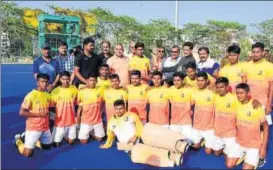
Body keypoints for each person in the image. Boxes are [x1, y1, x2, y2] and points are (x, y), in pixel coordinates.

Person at [226, 83, 269, 169]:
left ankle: (259, 158)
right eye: (237, 93)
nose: (239, 95)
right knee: (229, 165)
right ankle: (243, 155)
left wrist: (264, 147)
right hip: (239, 142)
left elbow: (266, 126)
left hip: (254, 145)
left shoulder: (256, 106)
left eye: (242, 93)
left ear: (248, 93)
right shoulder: (236, 103)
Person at [14, 73, 52, 157]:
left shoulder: (47, 95)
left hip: (45, 127)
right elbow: (22, 112)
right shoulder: (31, 95)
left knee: (47, 147)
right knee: (27, 153)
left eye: (46, 82)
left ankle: (32, 139)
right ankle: (18, 140)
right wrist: (40, 114)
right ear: (37, 82)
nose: (44, 84)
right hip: (33, 128)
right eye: (42, 81)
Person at [50, 71, 78, 147]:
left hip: (71, 121)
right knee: (56, 144)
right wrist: (54, 119)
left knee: (71, 142)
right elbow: (51, 107)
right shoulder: (55, 91)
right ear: (60, 80)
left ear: (70, 79)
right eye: (63, 79)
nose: (65, 81)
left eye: (67, 79)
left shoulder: (74, 89)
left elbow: (76, 103)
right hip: (59, 123)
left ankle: (65, 134)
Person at [212, 77, 238, 157]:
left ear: (227, 87)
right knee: (216, 153)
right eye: (218, 87)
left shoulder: (235, 98)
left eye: (222, 87)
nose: (219, 89)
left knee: (229, 162)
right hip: (218, 132)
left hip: (230, 133)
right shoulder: (215, 97)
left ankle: (239, 148)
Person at [245, 42, 273, 115]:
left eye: (258, 52)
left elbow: (271, 86)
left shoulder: (269, 66)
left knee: (265, 124)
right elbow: (244, 85)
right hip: (248, 102)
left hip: (263, 102)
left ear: (263, 52)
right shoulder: (246, 65)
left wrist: (269, 104)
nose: (255, 54)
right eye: (253, 52)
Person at [190, 71, 215, 155]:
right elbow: (191, 104)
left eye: (202, 80)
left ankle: (205, 140)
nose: (200, 83)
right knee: (195, 147)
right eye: (198, 80)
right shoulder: (194, 92)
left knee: (208, 152)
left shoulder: (213, 92)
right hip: (197, 126)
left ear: (207, 81)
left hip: (209, 128)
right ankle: (200, 141)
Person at [77, 73, 105, 144]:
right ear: (87, 80)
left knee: (100, 139)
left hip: (97, 120)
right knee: (83, 142)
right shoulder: (81, 91)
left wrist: (122, 87)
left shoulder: (101, 89)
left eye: (94, 80)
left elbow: (112, 88)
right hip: (85, 121)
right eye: (90, 80)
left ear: (96, 81)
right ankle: (88, 131)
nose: (92, 82)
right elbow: (79, 109)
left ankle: (91, 132)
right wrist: (78, 123)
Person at [168, 72, 192, 140]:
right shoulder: (170, 90)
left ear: (183, 81)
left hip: (186, 123)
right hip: (174, 123)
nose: (176, 82)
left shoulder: (189, 90)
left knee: (187, 144)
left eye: (178, 80)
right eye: (174, 80)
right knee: (173, 143)